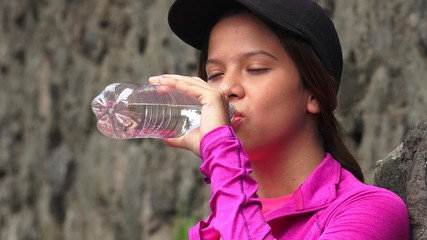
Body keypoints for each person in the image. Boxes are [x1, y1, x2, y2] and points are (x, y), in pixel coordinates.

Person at [149, 0, 411, 239]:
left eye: (256, 69)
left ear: (315, 92)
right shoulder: (216, 227)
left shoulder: (368, 212)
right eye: (215, 73)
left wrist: (220, 151)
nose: (226, 89)